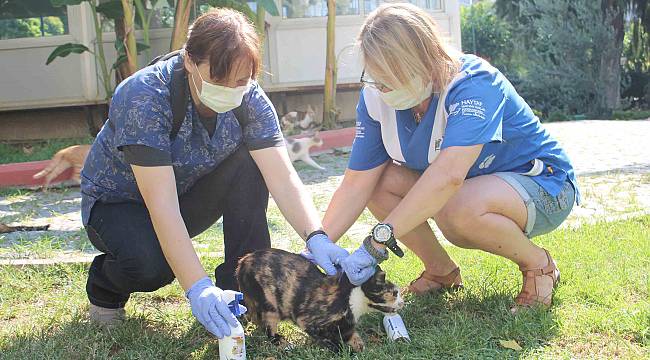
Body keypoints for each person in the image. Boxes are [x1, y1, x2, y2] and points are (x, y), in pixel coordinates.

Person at [80, 9, 349, 338]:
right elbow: (161, 205)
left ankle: (242, 291)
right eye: (219, 79)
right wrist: (198, 288)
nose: (231, 89)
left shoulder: (249, 98)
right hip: (117, 207)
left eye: (240, 80)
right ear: (189, 60)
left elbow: (282, 176)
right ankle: (105, 287)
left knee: (251, 161)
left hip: (185, 198)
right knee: (154, 266)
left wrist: (316, 237)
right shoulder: (143, 98)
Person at [313, 3, 579, 312]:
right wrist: (317, 246)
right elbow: (357, 183)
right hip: (473, 187)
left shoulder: (474, 82)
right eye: (376, 75)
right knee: (381, 181)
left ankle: (539, 265)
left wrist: (375, 244)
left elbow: (449, 176)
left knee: (456, 207)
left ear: (424, 59)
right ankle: (441, 271)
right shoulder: (376, 97)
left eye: (391, 76)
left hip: (544, 184)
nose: (382, 87)